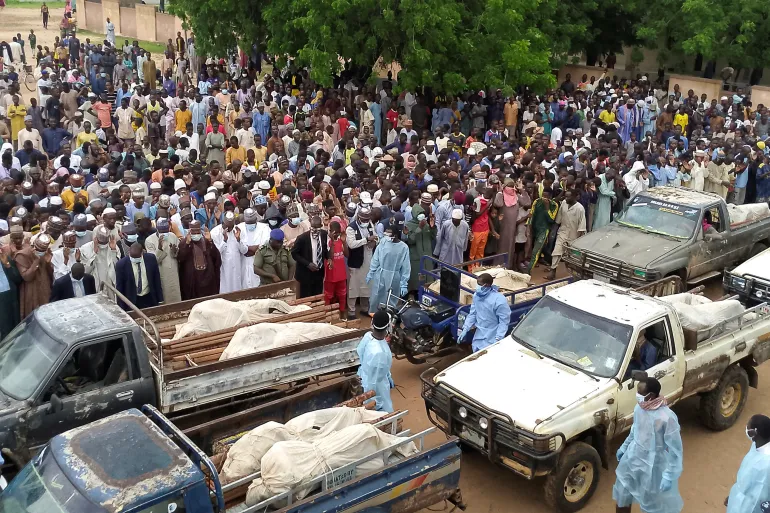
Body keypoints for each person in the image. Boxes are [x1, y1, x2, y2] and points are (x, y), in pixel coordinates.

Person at [614, 377, 683, 513]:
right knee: (622, 495)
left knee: (651, 505)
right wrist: (624, 446)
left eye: (640, 393)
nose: (637, 396)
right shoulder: (639, 408)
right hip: (633, 458)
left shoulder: (667, 418)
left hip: (654, 467)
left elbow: (676, 450)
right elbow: (635, 430)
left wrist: (669, 475)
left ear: (650, 396)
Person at [725, 414, 770, 513]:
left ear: (754, 432)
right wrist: (733, 497)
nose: (746, 428)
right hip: (740, 500)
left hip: (750, 507)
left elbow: (759, 496)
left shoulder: (766, 464)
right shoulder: (757, 445)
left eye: (748, 427)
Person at [457, 273, 509, 352]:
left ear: (486, 285)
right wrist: (466, 328)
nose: (477, 287)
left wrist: (498, 338)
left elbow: (504, 321)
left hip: (493, 335)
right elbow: (473, 314)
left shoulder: (499, 300)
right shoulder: (476, 296)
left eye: (479, 284)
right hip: (479, 334)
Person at [366, 225, 410, 314]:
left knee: (390, 302)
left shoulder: (404, 247)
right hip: (380, 275)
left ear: (395, 234)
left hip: (394, 278)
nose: (386, 235)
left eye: (389, 233)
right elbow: (376, 258)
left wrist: (404, 283)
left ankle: (388, 322)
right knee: (375, 299)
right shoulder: (383, 242)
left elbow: (406, 266)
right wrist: (371, 272)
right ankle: (375, 321)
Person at [356, 310, 394, 412]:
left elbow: (359, 352)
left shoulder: (368, 336)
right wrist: (375, 402)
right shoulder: (380, 353)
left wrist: (387, 374)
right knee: (386, 412)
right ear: (387, 327)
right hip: (376, 387)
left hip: (364, 376)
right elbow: (373, 383)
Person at [177, 220, 221, 300]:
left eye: (198, 232)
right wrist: (187, 243)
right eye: (194, 233)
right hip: (192, 282)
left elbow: (217, 259)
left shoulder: (206, 241)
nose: (196, 235)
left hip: (207, 281)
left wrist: (210, 241)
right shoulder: (184, 243)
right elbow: (180, 259)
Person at [346, 206, 376, 319]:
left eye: (367, 219)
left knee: (367, 285)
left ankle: (364, 308)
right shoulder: (351, 228)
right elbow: (351, 244)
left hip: (368, 259)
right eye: (363, 220)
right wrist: (366, 240)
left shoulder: (370, 224)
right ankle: (351, 311)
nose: (365, 222)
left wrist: (374, 241)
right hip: (356, 261)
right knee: (353, 287)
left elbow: (375, 235)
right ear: (359, 218)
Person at [548, 190, 586, 279]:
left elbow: (582, 225)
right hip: (562, 232)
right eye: (565, 196)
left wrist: (579, 239)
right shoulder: (564, 204)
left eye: (568, 196)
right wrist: (553, 232)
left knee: (574, 256)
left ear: (574, 197)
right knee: (556, 251)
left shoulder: (580, 208)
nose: (566, 198)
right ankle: (552, 270)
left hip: (574, 235)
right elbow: (558, 219)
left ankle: (575, 275)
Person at [15, 233, 53, 318]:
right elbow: (27, 277)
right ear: (34, 246)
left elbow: (50, 274)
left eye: (43, 251)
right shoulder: (22, 255)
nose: (41, 253)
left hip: (44, 288)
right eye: (39, 250)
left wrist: (48, 263)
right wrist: (36, 261)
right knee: (33, 317)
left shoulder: (44, 253)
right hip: (31, 290)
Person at [144, 217, 181, 304]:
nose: (165, 233)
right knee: (163, 296)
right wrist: (160, 248)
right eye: (162, 231)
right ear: (157, 229)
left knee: (175, 296)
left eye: (166, 230)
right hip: (160, 272)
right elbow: (153, 261)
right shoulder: (149, 240)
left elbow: (177, 255)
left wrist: (175, 250)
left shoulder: (172, 236)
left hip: (173, 272)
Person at [115, 242, 163, 309]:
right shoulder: (121, 265)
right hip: (132, 301)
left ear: (142, 253)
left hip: (149, 298)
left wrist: (160, 299)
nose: (134, 260)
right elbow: (119, 288)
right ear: (129, 252)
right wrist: (121, 307)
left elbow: (157, 280)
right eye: (132, 257)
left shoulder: (151, 259)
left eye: (136, 258)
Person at [291, 215, 327, 298]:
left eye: (317, 228)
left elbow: (324, 250)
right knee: (306, 298)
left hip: (319, 273)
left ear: (321, 227)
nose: (314, 231)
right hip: (305, 274)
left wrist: (328, 259)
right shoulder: (302, 238)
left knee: (317, 296)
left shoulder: (324, 235)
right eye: (312, 228)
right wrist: (308, 264)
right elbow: (294, 253)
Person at [236, 208, 270, 289]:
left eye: (252, 222)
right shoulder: (238, 228)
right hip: (243, 263)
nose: (250, 224)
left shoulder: (264, 228)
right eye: (248, 223)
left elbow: (264, 245)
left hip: (258, 261)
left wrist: (247, 249)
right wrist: (253, 248)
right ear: (244, 220)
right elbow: (239, 247)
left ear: (256, 219)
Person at [210, 211, 243, 293]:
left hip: (237, 267)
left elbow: (244, 251)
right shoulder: (215, 232)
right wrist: (224, 240)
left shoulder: (237, 230)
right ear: (222, 223)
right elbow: (215, 254)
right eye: (227, 226)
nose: (229, 229)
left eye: (231, 226)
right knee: (225, 290)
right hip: (223, 268)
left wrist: (239, 240)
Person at [324, 221, 348, 317]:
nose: (336, 235)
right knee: (328, 295)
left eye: (337, 232)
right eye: (334, 232)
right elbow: (330, 257)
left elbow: (347, 255)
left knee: (342, 295)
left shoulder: (341, 241)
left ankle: (342, 312)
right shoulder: (327, 241)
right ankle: (327, 314)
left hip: (341, 274)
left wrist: (344, 242)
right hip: (330, 274)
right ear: (330, 231)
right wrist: (332, 241)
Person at [0, 244, 22, 338]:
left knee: (15, 327)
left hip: (11, 297)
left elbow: (17, 279)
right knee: (5, 329)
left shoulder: (5, 259)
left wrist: (7, 265)